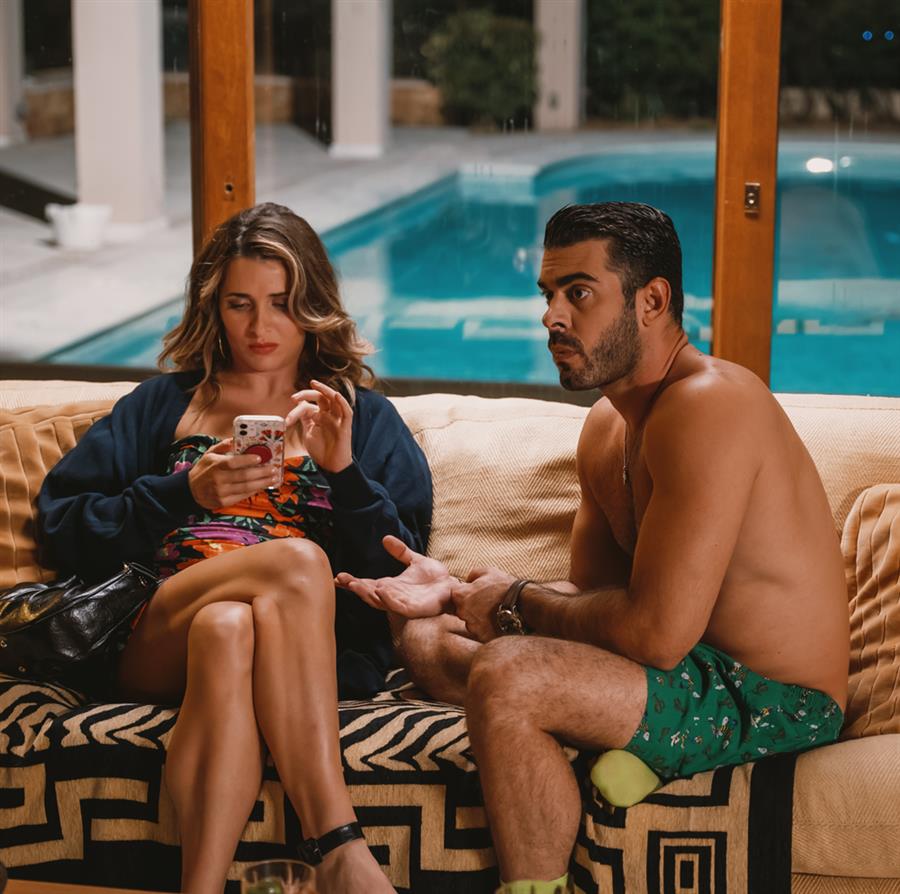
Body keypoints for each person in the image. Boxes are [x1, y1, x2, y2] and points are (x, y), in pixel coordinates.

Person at [338, 202, 850, 894]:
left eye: (578, 293)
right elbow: (592, 600)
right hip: (676, 673)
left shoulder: (711, 405)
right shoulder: (608, 425)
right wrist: (460, 594)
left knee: (512, 675)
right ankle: (639, 748)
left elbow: (654, 634)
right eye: (548, 294)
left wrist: (516, 602)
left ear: (652, 301)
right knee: (425, 639)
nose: (552, 317)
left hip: (772, 698)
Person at [37, 202, 431, 894]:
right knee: (295, 561)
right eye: (239, 304)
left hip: (281, 649)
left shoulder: (360, 418)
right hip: (158, 634)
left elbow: (399, 573)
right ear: (213, 308)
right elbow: (62, 525)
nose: (259, 328)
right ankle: (338, 846)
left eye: (281, 304)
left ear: (312, 306)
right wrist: (184, 491)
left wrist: (343, 473)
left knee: (229, 626)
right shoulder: (164, 404)